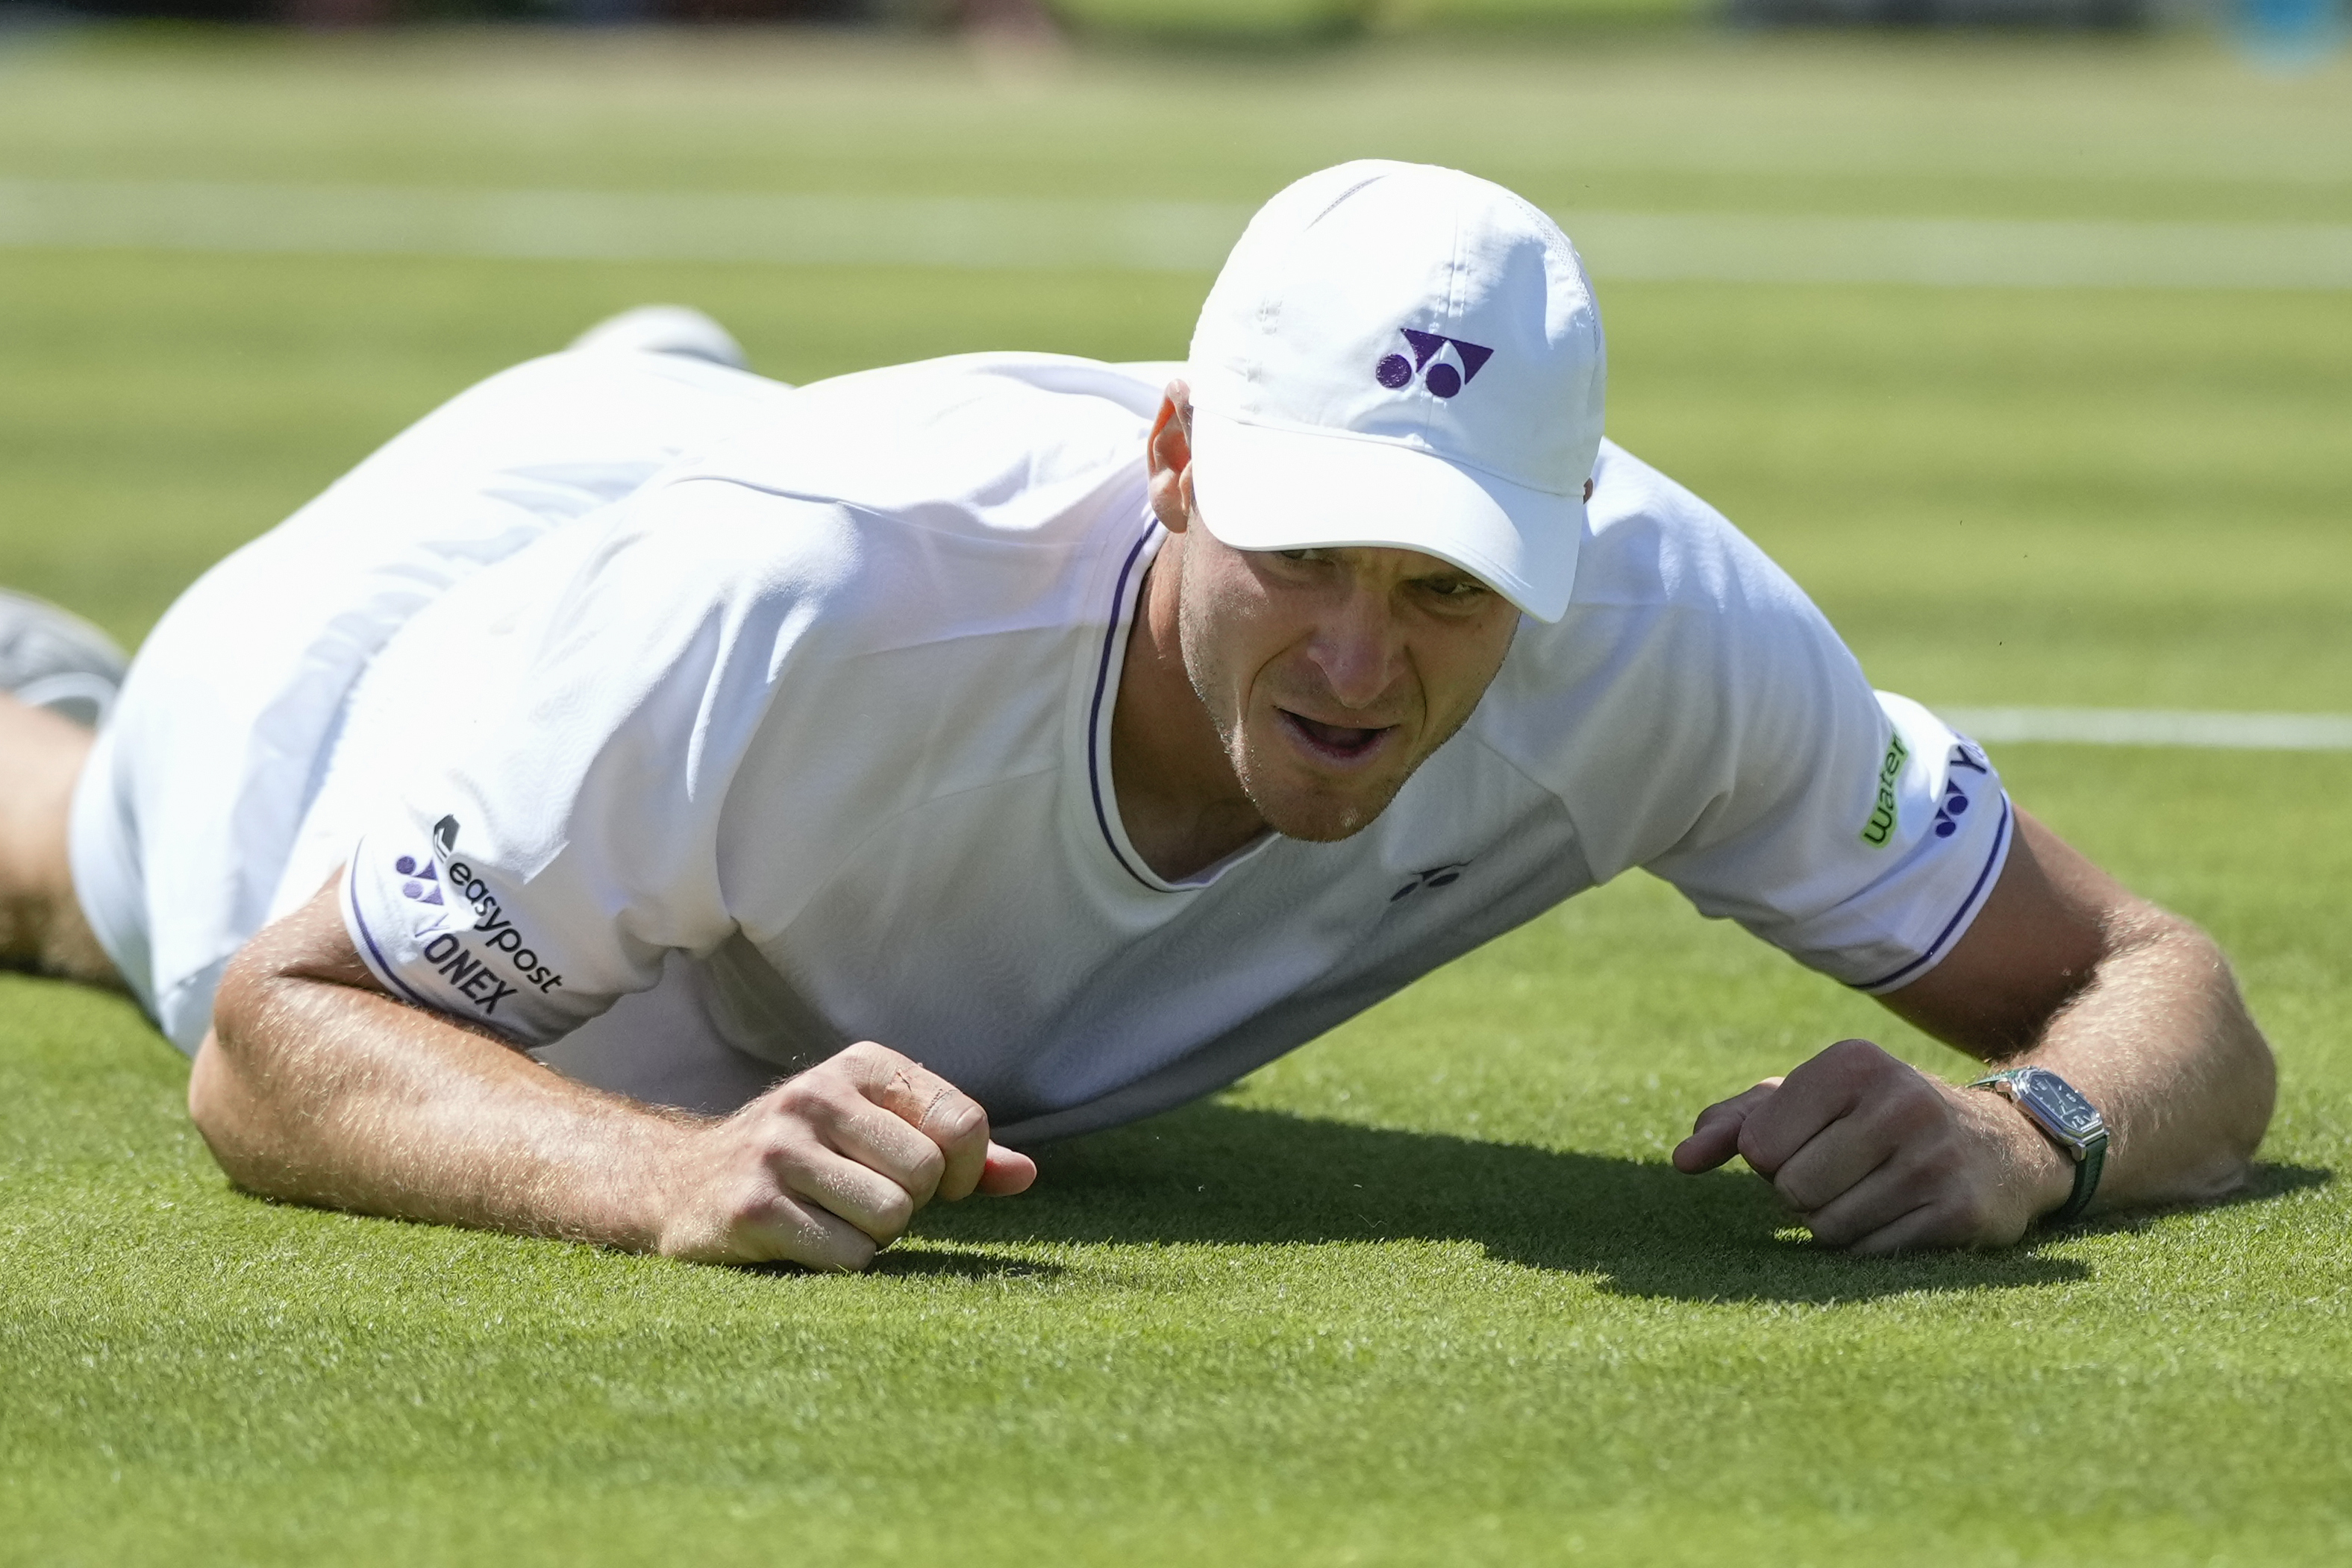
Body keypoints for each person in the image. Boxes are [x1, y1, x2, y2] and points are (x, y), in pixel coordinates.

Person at [0, 162, 2273, 1270]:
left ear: (1569, 530)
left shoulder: (1661, 621)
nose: (1362, 667)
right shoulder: (801, 595)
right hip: (370, 677)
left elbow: (2160, 987)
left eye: (1445, 581)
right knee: (90, 879)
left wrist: (2033, 1135)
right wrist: (660, 1166)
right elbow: (275, 1038)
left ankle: (642, 384)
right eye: (1300, 554)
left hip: (716, 538)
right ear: (1178, 463)